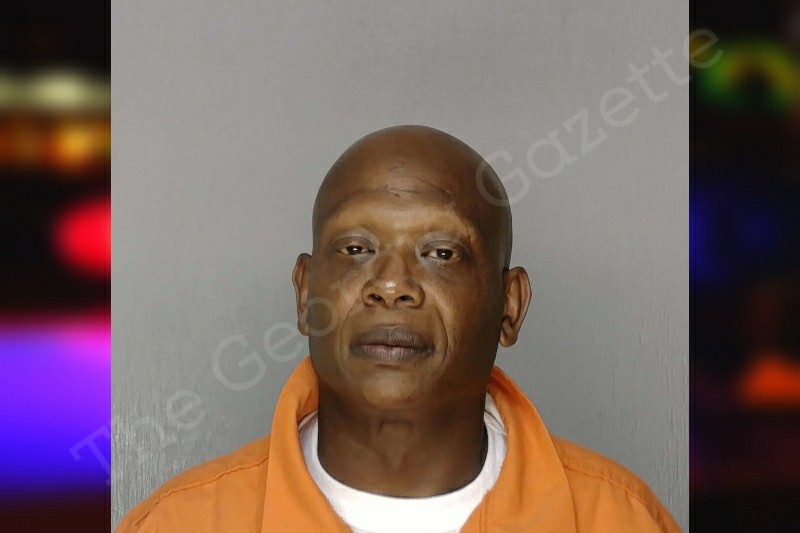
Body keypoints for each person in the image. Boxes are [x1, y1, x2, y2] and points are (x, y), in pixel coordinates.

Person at [117, 125, 681, 532]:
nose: (391, 285)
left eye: (441, 253)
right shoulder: (179, 523)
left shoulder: (621, 519)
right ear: (305, 293)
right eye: (356, 249)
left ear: (509, 306)